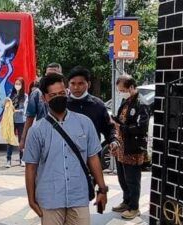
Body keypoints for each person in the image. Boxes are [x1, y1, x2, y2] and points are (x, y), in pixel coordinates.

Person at [23, 74, 108, 225]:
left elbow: (93, 158)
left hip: (78, 196)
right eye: (53, 95)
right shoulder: (36, 130)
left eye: (62, 93)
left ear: (67, 93)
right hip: (50, 198)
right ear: (44, 98)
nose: (59, 97)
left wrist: (102, 190)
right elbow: (31, 167)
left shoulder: (84, 123)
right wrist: (31, 199)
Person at [111, 75, 149, 220]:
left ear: (132, 87)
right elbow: (121, 120)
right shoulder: (126, 101)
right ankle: (126, 202)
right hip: (122, 147)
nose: (121, 92)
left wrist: (122, 127)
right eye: (120, 90)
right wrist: (113, 120)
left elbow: (141, 127)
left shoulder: (141, 103)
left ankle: (134, 207)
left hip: (133, 147)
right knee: (122, 178)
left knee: (133, 179)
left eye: (123, 90)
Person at [66, 66, 118, 154]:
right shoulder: (63, 105)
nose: (76, 87)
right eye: (73, 83)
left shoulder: (97, 105)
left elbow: (108, 128)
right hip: (68, 156)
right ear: (68, 84)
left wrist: (113, 141)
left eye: (80, 83)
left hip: (92, 155)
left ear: (88, 84)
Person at [19, 62, 63, 150]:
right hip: (43, 137)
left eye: (54, 75)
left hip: (62, 138)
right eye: (48, 75)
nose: (50, 78)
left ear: (61, 75)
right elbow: (29, 119)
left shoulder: (66, 94)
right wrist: (23, 140)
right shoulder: (36, 94)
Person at [5, 77, 28, 168]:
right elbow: (5, 107)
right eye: (16, 84)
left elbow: (25, 110)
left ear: (22, 86)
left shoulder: (25, 96)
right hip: (11, 120)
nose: (17, 85)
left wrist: (16, 110)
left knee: (21, 140)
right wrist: (5, 104)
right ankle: (8, 160)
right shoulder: (11, 95)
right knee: (10, 140)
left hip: (21, 120)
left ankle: (22, 159)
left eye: (19, 84)